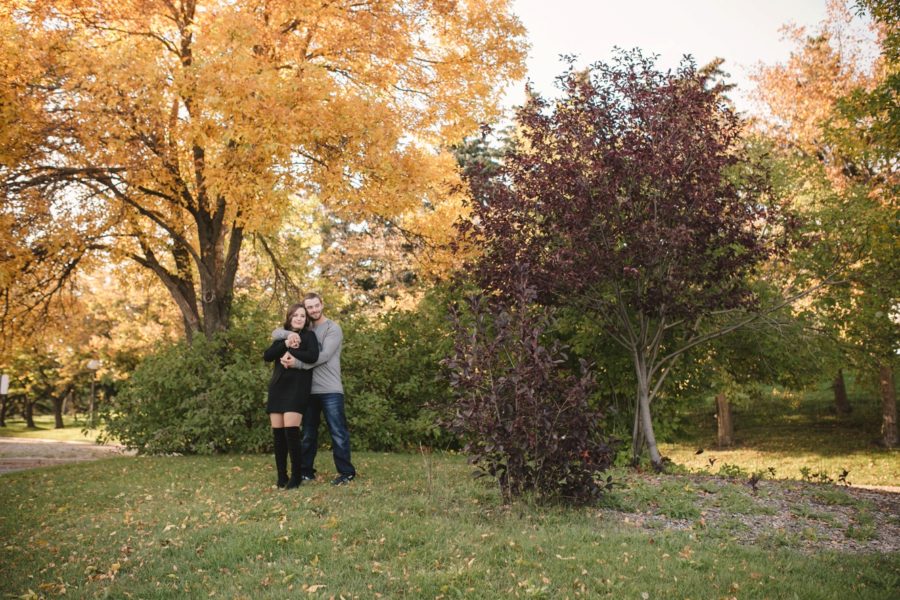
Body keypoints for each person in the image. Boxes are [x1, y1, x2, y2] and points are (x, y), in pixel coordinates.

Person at [276, 292, 356, 485]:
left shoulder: (332, 328)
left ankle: (346, 472)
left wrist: (296, 363)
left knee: (338, 432)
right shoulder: (305, 327)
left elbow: (323, 356)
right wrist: (290, 334)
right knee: (308, 433)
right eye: (309, 307)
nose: (313, 310)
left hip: (330, 389)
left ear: (322, 304)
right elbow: (276, 333)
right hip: (308, 390)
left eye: (315, 306)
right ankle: (306, 471)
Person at [263, 303, 319, 489]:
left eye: (302, 316)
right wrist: (286, 344)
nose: (299, 318)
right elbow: (268, 355)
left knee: (291, 433)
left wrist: (291, 353)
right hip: (278, 388)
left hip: (297, 388)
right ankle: (281, 477)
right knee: (278, 435)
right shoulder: (282, 337)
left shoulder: (309, 336)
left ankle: (296, 476)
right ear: (289, 318)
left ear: (306, 320)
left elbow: (312, 356)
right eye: (295, 315)